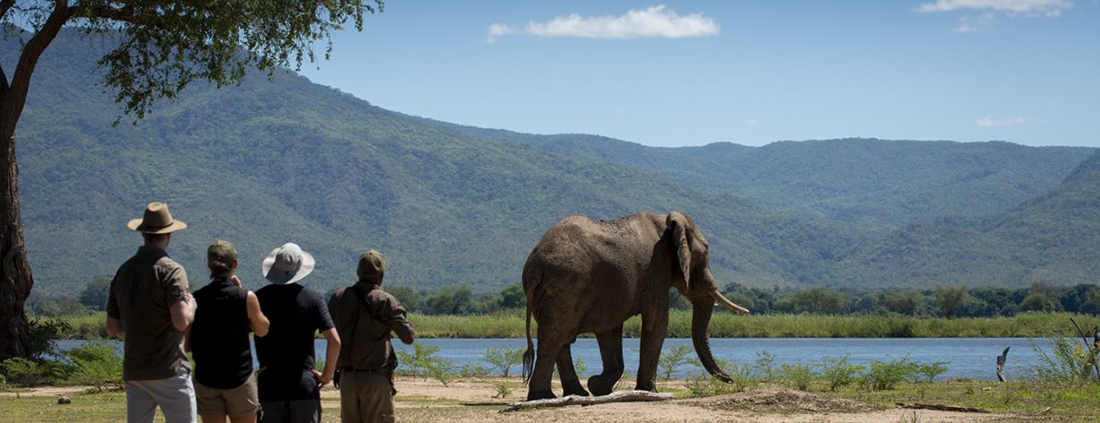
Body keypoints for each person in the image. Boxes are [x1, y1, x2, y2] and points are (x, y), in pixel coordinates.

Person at [106, 202, 198, 423]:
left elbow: (112, 328)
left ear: (143, 234)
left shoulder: (124, 271)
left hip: (136, 370)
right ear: (168, 235)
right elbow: (181, 321)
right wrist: (192, 306)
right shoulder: (172, 270)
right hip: (169, 369)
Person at [253, 242, 341, 423]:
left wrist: (250, 373)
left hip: (269, 384)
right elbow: (334, 341)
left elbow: (238, 334)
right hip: (303, 385)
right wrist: (326, 375)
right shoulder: (313, 299)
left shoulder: (258, 298)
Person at [327, 250, 415, 423]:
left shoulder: (338, 297)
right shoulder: (386, 301)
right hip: (375, 377)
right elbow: (408, 337)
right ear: (381, 275)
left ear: (358, 273)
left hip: (346, 378)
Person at [190, 240, 271, 423]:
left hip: (206, 378)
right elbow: (262, 330)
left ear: (209, 265)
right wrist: (240, 292)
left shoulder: (197, 298)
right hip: (239, 378)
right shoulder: (245, 297)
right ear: (234, 264)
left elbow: (188, 343)